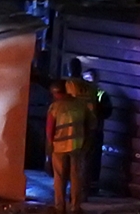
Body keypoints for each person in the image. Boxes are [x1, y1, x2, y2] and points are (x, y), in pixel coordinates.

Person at [46, 80, 95, 213]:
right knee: (76, 177)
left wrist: (49, 147)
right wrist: (87, 144)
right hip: (77, 147)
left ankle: (59, 207)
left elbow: (50, 130)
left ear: (55, 93)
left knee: (60, 177)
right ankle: (75, 207)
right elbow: (91, 126)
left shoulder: (55, 107)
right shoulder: (81, 105)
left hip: (59, 147)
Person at [65, 59, 112, 194]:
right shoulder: (80, 89)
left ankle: (89, 188)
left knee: (91, 161)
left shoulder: (99, 94)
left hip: (93, 131)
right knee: (80, 161)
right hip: (85, 129)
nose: (87, 81)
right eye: (86, 78)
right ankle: (79, 189)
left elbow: (107, 111)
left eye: (90, 78)